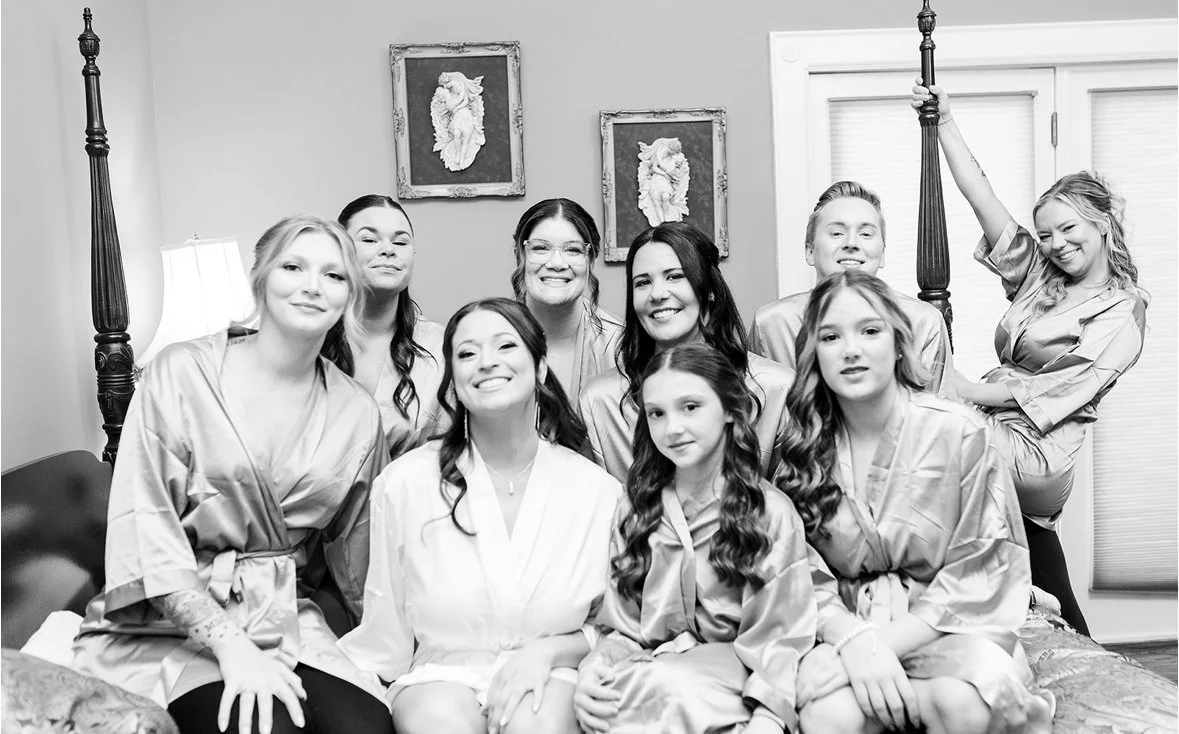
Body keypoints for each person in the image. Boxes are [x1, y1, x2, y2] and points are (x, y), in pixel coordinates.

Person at [73, 215, 392, 734]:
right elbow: (146, 529)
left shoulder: (357, 412)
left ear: (349, 296)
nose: (313, 286)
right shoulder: (181, 373)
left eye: (334, 276)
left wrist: (399, 645)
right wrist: (231, 647)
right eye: (294, 266)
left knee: (368, 726)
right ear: (261, 277)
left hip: (283, 611)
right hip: (171, 619)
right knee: (265, 724)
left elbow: (361, 556)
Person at [912, 81, 1149, 636]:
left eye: (1069, 228)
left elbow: (1068, 386)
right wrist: (944, 120)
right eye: (1045, 235)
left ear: (1102, 224)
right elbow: (982, 200)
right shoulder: (1042, 280)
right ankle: (1069, 637)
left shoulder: (1123, 309)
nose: (1057, 244)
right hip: (999, 426)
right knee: (1040, 566)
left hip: (1038, 450)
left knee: (917, 418)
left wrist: (964, 391)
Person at [778, 270, 1054, 734]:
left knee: (960, 703)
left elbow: (982, 566)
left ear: (899, 342)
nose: (851, 349)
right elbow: (793, 569)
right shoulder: (799, 446)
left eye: (870, 331)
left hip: (949, 626)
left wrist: (876, 647)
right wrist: (849, 640)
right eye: (831, 336)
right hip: (847, 623)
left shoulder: (960, 432)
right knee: (827, 715)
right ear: (813, 353)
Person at [339, 298, 619, 734]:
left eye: (506, 346)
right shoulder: (404, 484)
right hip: (441, 675)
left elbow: (614, 626)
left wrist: (547, 654)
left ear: (540, 369)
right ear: (453, 382)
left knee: (535, 723)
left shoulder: (597, 491)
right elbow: (385, 626)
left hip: (554, 672)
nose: (486, 362)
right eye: (467, 353)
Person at [573, 343, 819, 734]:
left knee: (671, 688)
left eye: (690, 407)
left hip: (735, 682)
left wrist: (769, 720)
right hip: (648, 677)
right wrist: (595, 669)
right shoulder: (635, 511)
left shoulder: (769, 512)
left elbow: (780, 639)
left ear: (729, 409)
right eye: (656, 413)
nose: (672, 428)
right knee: (611, 701)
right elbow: (621, 627)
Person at [579, 222, 793, 483]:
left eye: (675, 276)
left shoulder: (776, 389)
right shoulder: (601, 401)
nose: (658, 293)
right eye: (643, 282)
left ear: (710, 289)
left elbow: (797, 504)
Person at [748, 181, 954, 396]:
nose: (852, 243)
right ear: (809, 251)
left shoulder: (924, 322)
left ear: (882, 254)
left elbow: (941, 415)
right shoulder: (771, 324)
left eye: (866, 234)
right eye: (837, 233)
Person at [321, 194, 447, 461]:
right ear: (339, 250)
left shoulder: (444, 346)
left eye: (401, 241)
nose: (388, 250)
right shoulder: (307, 339)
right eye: (369, 239)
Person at [510, 198, 624, 398]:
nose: (556, 263)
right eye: (540, 248)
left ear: (590, 260)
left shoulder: (621, 347)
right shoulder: (488, 338)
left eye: (573, 250)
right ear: (520, 255)